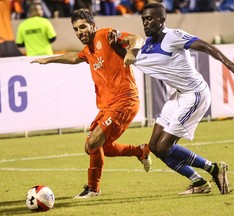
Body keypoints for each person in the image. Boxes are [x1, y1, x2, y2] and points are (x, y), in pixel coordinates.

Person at [125, 2, 234, 195]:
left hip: (195, 95)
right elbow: (133, 55)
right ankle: (198, 182)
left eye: (149, 18)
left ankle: (214, 169)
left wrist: (230, 64)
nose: (145, 23)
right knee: (154, 147)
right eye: (143, 19)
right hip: (178, 96)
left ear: (162, 19)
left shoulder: (173, 36)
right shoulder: (148, 44)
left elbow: (206, 46)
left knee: (165, 146)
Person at [31, 9, 152, 198]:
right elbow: (73, 57)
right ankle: (140, 151)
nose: (80, 32)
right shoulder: (88, 51)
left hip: (125, 100)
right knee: (93, 148)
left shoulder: (105, 35)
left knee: (95, 141)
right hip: (107, 106)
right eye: (76, 29)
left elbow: (137, 38)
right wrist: (49, 59)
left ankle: (93, 189)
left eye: (83, 27)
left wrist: (132, 51)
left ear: (93, 25)